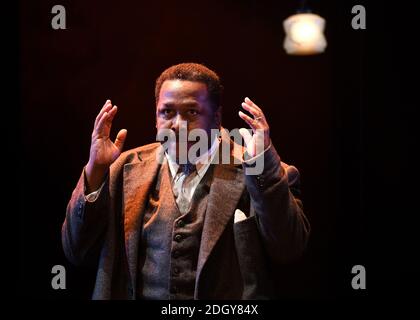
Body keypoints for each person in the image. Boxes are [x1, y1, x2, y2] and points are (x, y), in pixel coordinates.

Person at [62, 62, 310, 300]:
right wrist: (95, 169)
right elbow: (76, 251)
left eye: (192, 112)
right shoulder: (123, 169)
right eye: (167, 112)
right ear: (156, 117)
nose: (178, 125)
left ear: (216, 118)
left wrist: (262, 166)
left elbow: (288, 250)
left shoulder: (257, 170)